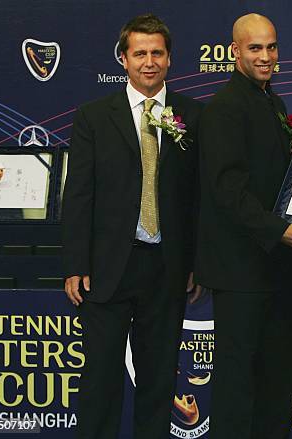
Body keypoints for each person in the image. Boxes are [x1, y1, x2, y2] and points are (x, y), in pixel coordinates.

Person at [62, 14, 202, 438]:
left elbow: (199, 199)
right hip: (106, 269)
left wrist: (195, 262)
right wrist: (74, 263)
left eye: (156, 53)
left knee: (158, 381)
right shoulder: (93, 116)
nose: (148, 62)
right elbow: (79, 195)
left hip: (166, 268)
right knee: (100, 381)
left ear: (169, 59)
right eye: (139, 53)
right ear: (123, 59)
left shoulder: (193, 115)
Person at [195, 13, 292, 439]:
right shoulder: (223, 109)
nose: (266, 56)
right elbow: (226, 192)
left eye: (271, 47)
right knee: (238, 386)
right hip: (242, 273)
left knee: (278, 381)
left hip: (281, 270)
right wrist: (278, 230)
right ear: (234, 52)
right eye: (255, 48)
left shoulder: (275, 102)